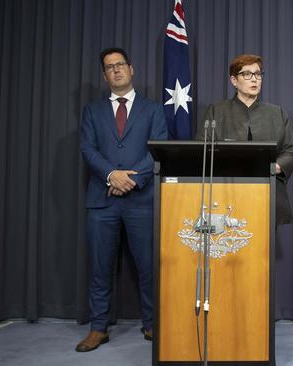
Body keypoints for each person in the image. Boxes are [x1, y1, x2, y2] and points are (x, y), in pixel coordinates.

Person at [77, 47, 168, 352]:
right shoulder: (92, 111)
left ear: (131, 69)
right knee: (100, 268)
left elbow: (158, 148)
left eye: (119, 65)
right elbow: (88, 149)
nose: (115, 70)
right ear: (104, 76)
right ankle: (98, 328)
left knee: (148, 267)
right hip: (102, 201)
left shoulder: (153, 109)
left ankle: (152, 324)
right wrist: (111, 176)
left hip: (142, 199)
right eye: (109, 67)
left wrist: (130, 180)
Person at [197, 54, 293, 225]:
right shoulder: (217, 111)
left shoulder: (276, 113)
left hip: (266, 192)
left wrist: (277, 166)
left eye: (258, 74)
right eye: (247, 74)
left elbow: (290, 150)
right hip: (226, 192)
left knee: (264, 250)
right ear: (234, 80)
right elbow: (202, 148)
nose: (254, 79)